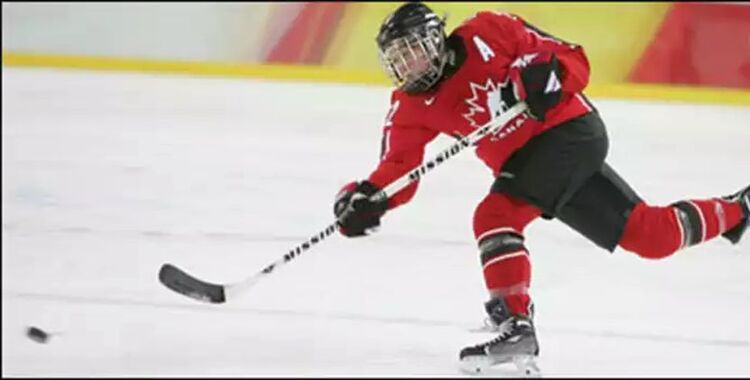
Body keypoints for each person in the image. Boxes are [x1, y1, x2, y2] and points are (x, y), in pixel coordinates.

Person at [332, 2, 749, 373]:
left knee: (496, 215)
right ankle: (739, 211)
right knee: (650, 236)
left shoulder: (489, 31)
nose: (409, 67)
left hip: (570, 133)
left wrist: (547, 78)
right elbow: (398, 169)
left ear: (435, 40)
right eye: (398, 61)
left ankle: (515, 323)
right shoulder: (408, 107)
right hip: (531, 165)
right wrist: (367, 197)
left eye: (414, 53)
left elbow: (574, 59)